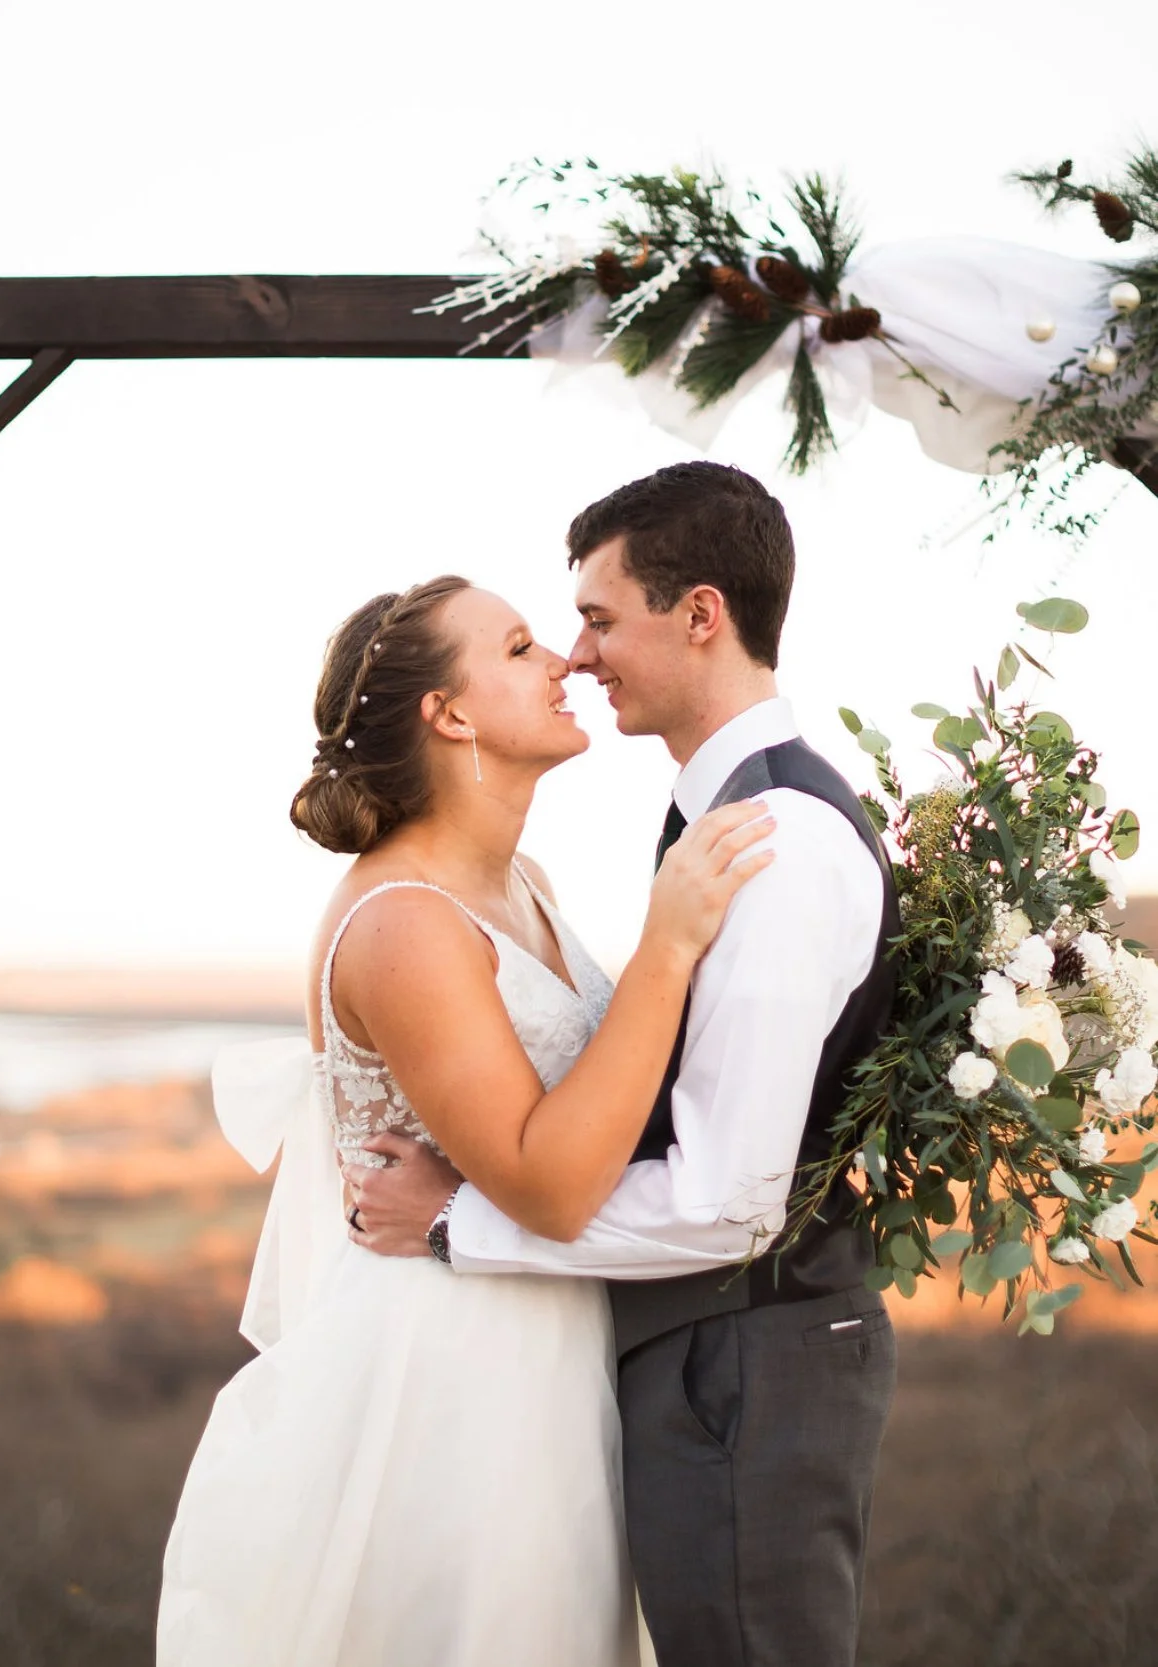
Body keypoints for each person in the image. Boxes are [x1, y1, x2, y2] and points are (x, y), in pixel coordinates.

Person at [157, 572, 774, 1667]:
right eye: (524, 646)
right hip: (448, 1383)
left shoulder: (519, 879)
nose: (566, 663)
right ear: (447, 712)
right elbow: (547, 1178)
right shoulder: (404, 920)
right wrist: (668, 946)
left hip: (552, 1346)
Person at [347, 463, 901, 1667]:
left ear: (700, 613)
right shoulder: (718, 827)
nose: (578, 656)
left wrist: (455, 1223)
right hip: (661, 1360)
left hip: (744, 1358)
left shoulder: (773, 844)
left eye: (598, 619)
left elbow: (729, 1198)